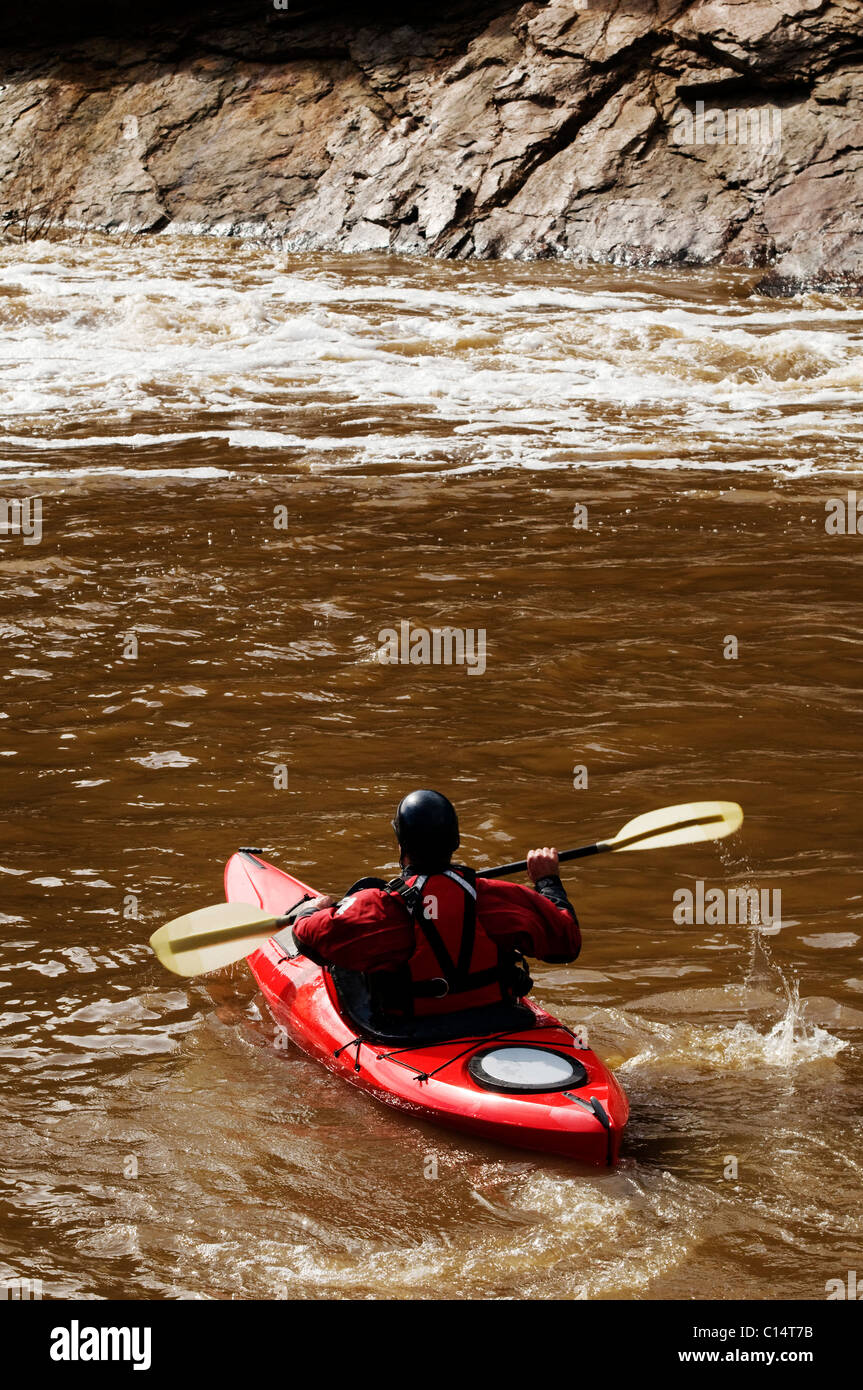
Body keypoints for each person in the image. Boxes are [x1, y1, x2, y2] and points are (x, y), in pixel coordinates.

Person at [289, 789, 580, 1036]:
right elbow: (566, 944)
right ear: (455, 842)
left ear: (401, 845)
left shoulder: (381, 907)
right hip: (499, 1020)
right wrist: (547, 880)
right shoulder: (497, 896)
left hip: (413, 1032)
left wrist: (311, 910)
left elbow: (309, 939)